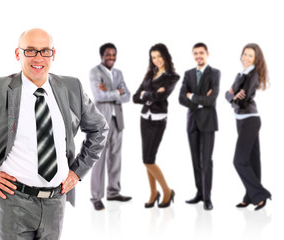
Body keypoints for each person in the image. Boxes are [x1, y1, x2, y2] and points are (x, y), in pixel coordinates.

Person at [0, 28, 108, 239]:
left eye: (44, 51)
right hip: (13, 202)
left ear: (53, 55)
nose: (38, 58)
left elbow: (99, 129)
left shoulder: (71, 87)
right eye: (30, 51)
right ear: (18, 54)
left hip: (56, 202)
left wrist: (77, 171)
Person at [132, 43, 179, 208]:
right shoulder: (149, 74)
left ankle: (167, 191)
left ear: (165, 56)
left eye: (159, 56)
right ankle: (153, 192)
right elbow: (135, 97)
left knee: (148, 159)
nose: (156, 60)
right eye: (153, 57)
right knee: (147, 158)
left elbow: (161, 97)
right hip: (145, 118)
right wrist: (149, 94)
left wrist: (146, 94)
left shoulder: (172, 77)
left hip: (158, 120)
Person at [225, 43, 271, 211]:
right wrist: (231, 95)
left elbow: (241, 100)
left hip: (250, 120)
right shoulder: (241, 74)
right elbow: (228, 94)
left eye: (250, 55)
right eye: (245, 54)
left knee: (239, 161)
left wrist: (232, 95)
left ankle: (260, 194)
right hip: (240, 119)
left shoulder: (253, 75)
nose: (246, 57)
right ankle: (250, 196)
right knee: (252, 160)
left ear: (256, 59)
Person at [89, 42, 132, 211]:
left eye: (114, 55)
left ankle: (114, 192)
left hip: (117, 120)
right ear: (102, 56)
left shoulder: (118, 73)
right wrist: (117, 92)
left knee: (115, 158)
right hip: (102, 121)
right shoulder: (95, 72)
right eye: (108, 55)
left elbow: (128, 95)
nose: (111, 58)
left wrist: (110, 92)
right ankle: (96, 196)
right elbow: (98, 95)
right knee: (98, 159)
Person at [178, 43, 221, 211]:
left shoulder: (215, 73)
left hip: (208, 122)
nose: (198, 56)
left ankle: (208, 199)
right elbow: (181, 99)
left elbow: (211, 100)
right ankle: (200, 193)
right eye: (195, 53)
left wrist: (192, 96)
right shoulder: (188, 74)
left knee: (206, 161)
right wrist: (200, 99)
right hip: (192, 123)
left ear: (207, 54)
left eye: (201, 53)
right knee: (195, 161)